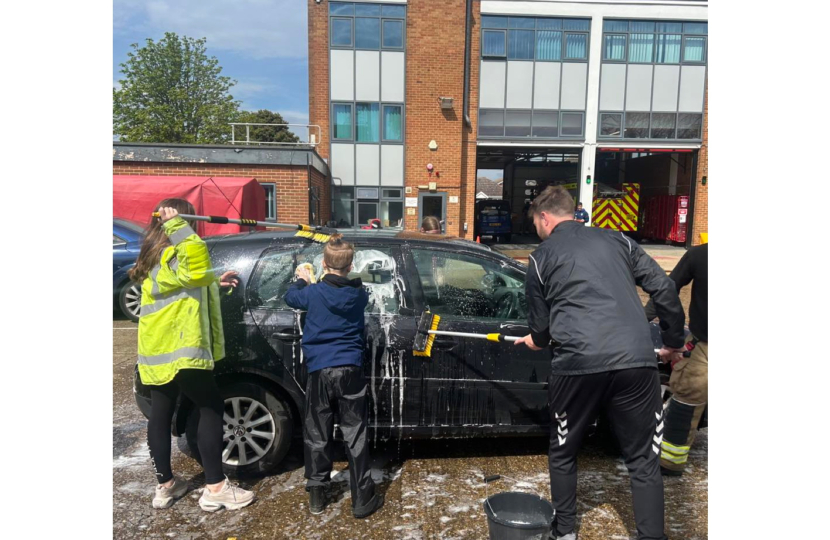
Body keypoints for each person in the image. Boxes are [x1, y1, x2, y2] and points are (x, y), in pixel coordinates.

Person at [514, 186, 686, 540]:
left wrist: (538, 340)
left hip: (576, 364)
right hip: (635, 363)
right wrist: (671, 342)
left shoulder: (539, 258)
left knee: (563, 452)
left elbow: (541, 327)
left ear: (545, 217)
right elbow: (665, 289)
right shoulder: (619, 240)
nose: (536, 229)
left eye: (535, 222)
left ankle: (564, 532)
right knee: (643, 460)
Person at [130, 199, 255, 512]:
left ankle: (166, 487)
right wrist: (179, 227)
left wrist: (214, 280)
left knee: (161, 413)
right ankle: (215, 488)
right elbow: (192, 266)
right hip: (182, 349)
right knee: (211, 406)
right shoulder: (178, 247)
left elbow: (188, 278)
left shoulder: (154, 256)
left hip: (158, 349)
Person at [284, 235, 383, 519]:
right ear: (351, 266)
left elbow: (291, 297)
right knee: (355, 432)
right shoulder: (359, 294)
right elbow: (341, 292)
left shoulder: (313, 292)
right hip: (350, 368)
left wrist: (303, 278)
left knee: (317, 431)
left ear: (324, 264)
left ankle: (317, 495)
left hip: (319, 370)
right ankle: (362, 499)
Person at [644, 243, 708, 477]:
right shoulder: (700, 255)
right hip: (704, 345)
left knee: (687, 402)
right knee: (687, 401)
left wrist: (642, 320)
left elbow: (667, 289)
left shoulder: (700, 255)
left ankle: (670, 464)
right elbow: (668, 289)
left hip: (705, 347)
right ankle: (670, 463)